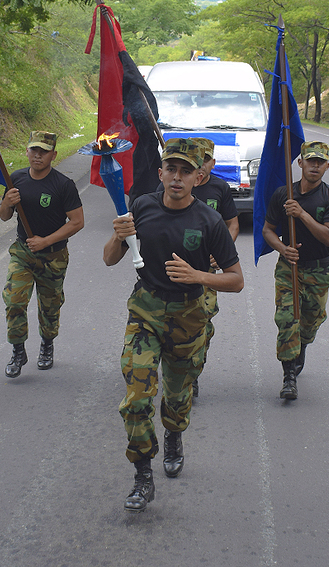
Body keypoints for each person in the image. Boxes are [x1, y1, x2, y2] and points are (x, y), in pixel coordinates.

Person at [103, 138, 244, 512]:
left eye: (186, 171)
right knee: (135, 398)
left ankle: (175, 435)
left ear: (199, 177)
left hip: (188, 317)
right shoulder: (142, 206)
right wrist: (120, 237)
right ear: (161, 172)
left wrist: (198, 275)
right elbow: (109, 258)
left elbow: (236, 280)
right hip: (146, 312)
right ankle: (142, 476)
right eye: (171, 169)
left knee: (178, 399)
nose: (177, 178)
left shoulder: (210, 221)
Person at [261, 141, 329, 400]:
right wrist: (283, 250)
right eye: (310, 161)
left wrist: (301, 214)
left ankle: (302, 344)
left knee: (310, 322)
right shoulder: (282, 194)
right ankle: (289, 377)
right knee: (287, 319)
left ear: (327, 166)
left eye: (320, 162)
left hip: (318, 270)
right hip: (290, 268)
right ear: (300, 163)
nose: (315, 166)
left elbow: (328, 237)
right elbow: (267, 230)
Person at [0, 131, 84, 378]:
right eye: (34, 150)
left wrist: (46, 240)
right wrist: (7, 201)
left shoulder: (63, 185)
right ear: (27, 151)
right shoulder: (16, 179)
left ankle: (47, 344)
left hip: (53, 257)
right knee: (14, 300)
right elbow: (4, 215)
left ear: (53, 155)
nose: (38, 155)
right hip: (23, 253)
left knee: (50, 306)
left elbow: (77, 222)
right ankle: (18, 350)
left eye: (44, 152)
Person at [178, 138, 239, 398]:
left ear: (213, 162)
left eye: (205, 160)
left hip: (205, 273)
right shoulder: (177, 187)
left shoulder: (219, 188)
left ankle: (193, 372)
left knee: (202, 324)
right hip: (171, 270)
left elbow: (232, 224)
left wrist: (222, 251)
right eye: (197, 159)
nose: (200, 165)